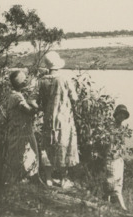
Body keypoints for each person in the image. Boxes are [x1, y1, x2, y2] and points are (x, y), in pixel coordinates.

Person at [38, 51, 79, 188]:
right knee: (64, 146)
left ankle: (49, 178)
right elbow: (74, 98)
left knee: (47, 146)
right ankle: (63, 179)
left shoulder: (42, 80)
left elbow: (38, 101)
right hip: (64, 118)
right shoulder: (64, 78)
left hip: (48, 118)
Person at [5, 70, 39, 184]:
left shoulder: (12, 94)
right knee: (26, 151)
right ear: (20, 83)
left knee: (17, 152)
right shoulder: (17, 97)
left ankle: (19, 176)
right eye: (24, 79)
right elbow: (28, 111)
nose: (26, 81)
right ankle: (23, 176)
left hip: (16, 128)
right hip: (21, 130)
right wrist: (38, 106)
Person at [105, 104, 130, 211]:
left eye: (124, 115)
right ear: (116, 115)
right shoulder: (110, 126)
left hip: (119, 159)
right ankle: (121, 206)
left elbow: (122, 144)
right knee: (111, 181)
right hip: (111, 157)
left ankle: (108, 203)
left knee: (118, 181)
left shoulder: (122, 128)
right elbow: (107, 142)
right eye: (120, 114)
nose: (122, 116)